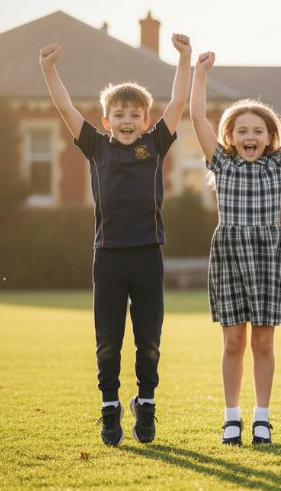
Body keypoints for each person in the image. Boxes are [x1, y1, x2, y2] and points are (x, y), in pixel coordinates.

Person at [38, 33, 191, 446]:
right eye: (119, 114)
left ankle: (146, 401)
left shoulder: (155, 145)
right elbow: (66, 108)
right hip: (107, 257)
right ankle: (109, 407)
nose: (126, 121)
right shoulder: (97, 147)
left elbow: (178, 104)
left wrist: (184, 59)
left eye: (134, 115)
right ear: (107, 121)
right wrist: (50, 69)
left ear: (145, 120)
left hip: (147, 256)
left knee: (149, 340)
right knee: (108, 339)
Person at [189, 51, 281, 445]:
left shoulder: (277, 165)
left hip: (266, 254)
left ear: (269, 137)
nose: (250, 137)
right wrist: (200, 73)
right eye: (242, 130)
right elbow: (195, 116)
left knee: (262, 341)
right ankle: (231, 417)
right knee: (232, 341)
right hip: (229, 253)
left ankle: (262, 417)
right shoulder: (221, 164)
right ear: (230, 137)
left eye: (258, 131)